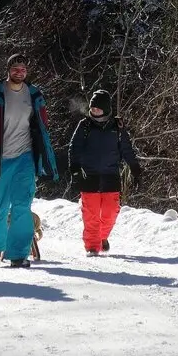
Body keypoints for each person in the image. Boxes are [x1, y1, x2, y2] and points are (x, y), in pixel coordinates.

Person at [0, 53, 58, 268]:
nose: (19, 72)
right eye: (15, 68)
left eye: (23, 69)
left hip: (24, 157)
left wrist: (43, 157)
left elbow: (42, 128)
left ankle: (18, 254)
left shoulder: (35, 94)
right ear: (8, 70)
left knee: (22, 205)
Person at [68, 89, 142, 256]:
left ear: (106, 109)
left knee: (110, 213)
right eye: (92, 109)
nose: (94, 111)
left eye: (98, 109)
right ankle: (92, 246)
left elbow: (126, 149)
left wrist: (135, 169)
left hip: (111, 176)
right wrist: (75, 169)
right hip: (89, 176)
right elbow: (74, 148)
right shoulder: (84, 125)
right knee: (91, 214)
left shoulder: (118, 126)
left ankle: (102, 237)